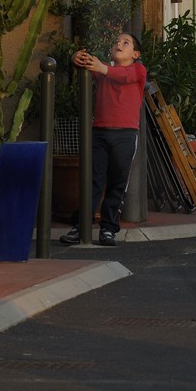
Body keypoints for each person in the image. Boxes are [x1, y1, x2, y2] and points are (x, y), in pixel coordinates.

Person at [61, 33, 148, 247]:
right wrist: (77, 59)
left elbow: (123, 76)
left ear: (135, 54)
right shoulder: (102, 70)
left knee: (117, 183)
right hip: (99, 132)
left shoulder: (138, 69)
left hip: (126, 135)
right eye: (116, 42)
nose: (119, 44)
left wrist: (102, 68)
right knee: (92, 180)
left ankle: (108, 228)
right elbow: (86, 71)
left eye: (125, 43)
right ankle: (81, 225)